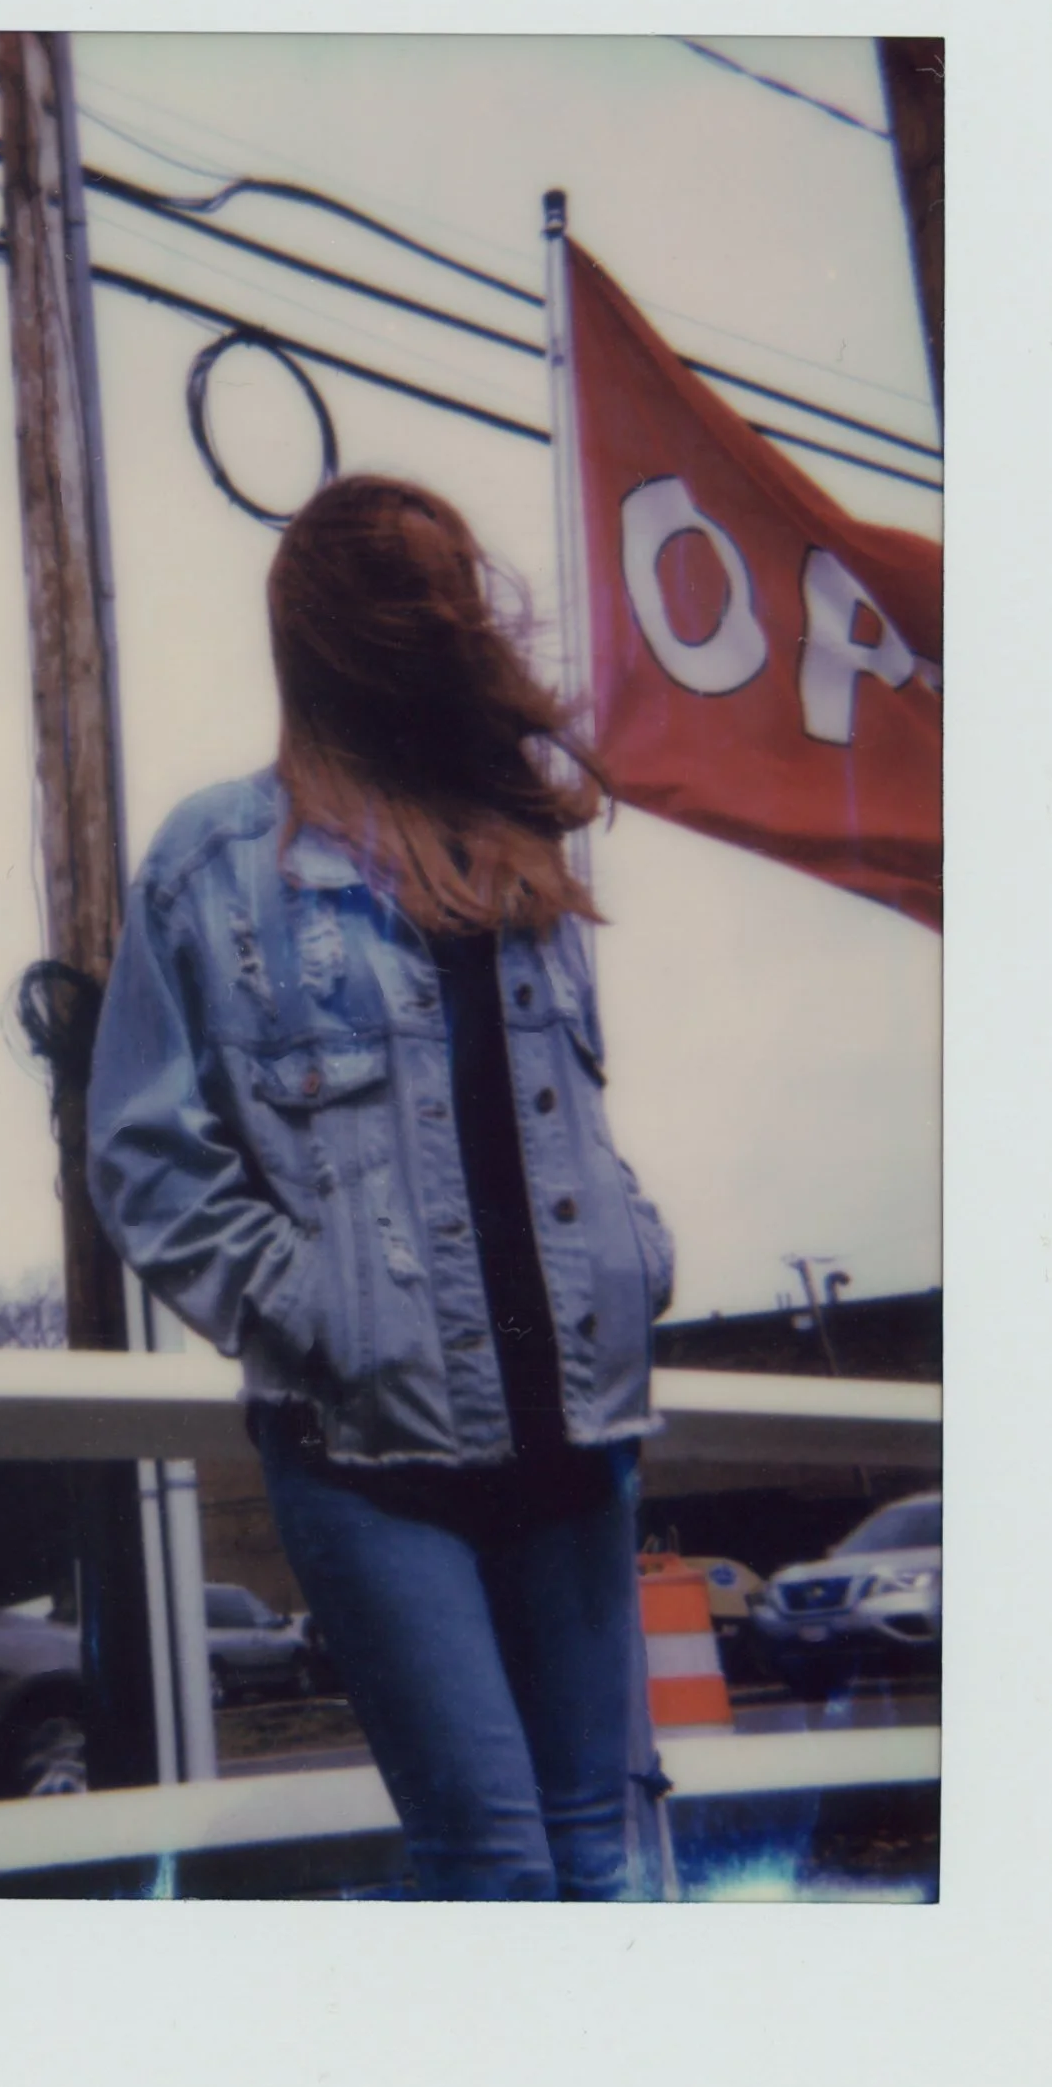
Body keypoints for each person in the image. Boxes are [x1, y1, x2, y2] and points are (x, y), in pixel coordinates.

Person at [86, 474, 676, 1900]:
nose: (448, 618)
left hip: (576, 1430)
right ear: (333, 634)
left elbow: (565, 1117)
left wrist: (633, 1253)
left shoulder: (522, 848)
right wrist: (312, 1312)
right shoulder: (215, 861)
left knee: (596, 1856)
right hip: (369, 1446)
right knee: (493, 1861)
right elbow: (143, 1150)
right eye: (412, 595)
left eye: (455, 589)